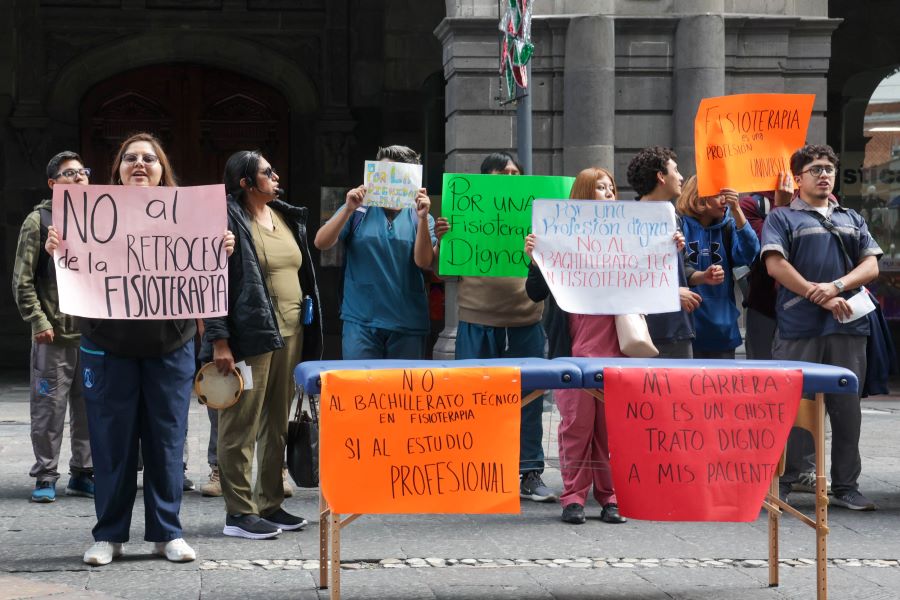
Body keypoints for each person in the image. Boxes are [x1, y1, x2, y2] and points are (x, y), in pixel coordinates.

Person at [46, 133, 234, 565]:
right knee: (111, 443)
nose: (139, 164)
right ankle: (108, 535)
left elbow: (209, 272)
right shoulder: (86, 217)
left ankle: (167, 532)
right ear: (117, 170)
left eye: (149, 158)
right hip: (107, 346)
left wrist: (221, 249)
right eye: (130, 158)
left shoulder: (190, 217)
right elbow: (69, 274)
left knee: (167, 439)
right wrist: (59, 250)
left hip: (171, 345)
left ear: (162, 168)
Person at [201, 150, 323, 539]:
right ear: (246, 183)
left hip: (289, 332)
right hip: (250, 337)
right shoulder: (225, 219)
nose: (275, 176)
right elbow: (213, 279)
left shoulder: (285, 215)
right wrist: (219, 339)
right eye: (267, 172)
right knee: (241, 423)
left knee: (276, 422)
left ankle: (270, 503)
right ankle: (239, 512)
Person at [762, 144, 881, 511]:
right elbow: (775, 266)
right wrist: (821, 297)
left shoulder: (851, 217)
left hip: (848, 326)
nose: (824, 174)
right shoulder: (782, 218)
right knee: (793, 406)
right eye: (815, 169)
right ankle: (787, 478)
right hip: (800, 326)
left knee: (848, 410)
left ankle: (846, 485)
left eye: (828, 168)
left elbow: (871, 265)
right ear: (798, 179)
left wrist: (837, 287)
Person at [434, 152, 557, 504]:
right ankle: (475, 472)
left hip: (526, 321)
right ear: (487, 179)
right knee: (474, 400)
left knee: (530, 401)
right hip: (478, 321)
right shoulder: (465, 212)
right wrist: (445, 238)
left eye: (517, 172)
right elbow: (443, 272)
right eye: (505, 173)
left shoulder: (537, 218)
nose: (514, 177)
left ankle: (529, 472)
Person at [523, 167, 627, 525]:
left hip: (617, 350)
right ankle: (573, 498)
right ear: (584, 193)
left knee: (610, 430)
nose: (610, 193)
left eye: (612, 188)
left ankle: (610, 497)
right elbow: (535, 293)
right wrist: (536, 258)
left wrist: (668, 250)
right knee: (576, 427)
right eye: (601, 187)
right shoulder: (558, 239)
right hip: (574, 351)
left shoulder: (629, 235)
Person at [13, 151, 93, 503]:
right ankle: (46, 474)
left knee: (90, 410)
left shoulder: (102, 218)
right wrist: (38, 321)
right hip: (54, 333)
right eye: (69, 173)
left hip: (92, 334)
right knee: (49, 408)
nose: (78, 178)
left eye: (83, 172)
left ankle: (83, 473)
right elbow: (22, 280)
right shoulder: (39, 221)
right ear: (53, 183)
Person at [314, 145, 435, 359]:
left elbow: (424, 262)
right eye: (384, 174)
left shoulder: (419, 216)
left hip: (407, 323)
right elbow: (321, 242)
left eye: (397, 175)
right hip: (361, 321)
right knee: (361, 388)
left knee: (403, 391)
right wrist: (348, 208)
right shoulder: (359, 209)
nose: (390, 181)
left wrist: (424, 217)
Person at [625, 146, 722, 358]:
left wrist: (702, 277)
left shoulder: (673, 217)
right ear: (661, 176)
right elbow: (625, 279)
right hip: (643, 331)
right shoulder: (627, 220)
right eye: (675, 170)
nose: (680, 177)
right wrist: (671, 293)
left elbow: (682, 268)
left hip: (678, 328)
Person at [676, 175, 760, 359]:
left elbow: (749, 253)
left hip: (721, 328)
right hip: (686, 327)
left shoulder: (728, 227)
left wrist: (737, 210)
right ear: (699, 197)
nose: (725, 200)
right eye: (718, 195)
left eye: (727, 195)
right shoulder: (679, 225)